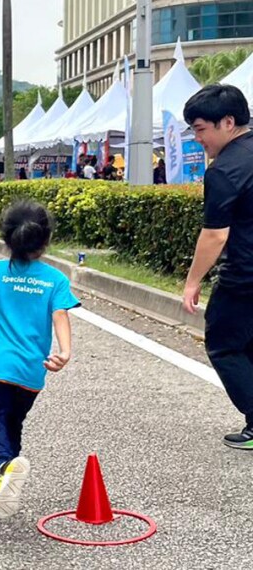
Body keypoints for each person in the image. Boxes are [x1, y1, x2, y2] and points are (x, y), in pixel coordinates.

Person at [0, 201, 80, 520]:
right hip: (32, 373)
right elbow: (60, 315)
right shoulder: (55, 279)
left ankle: (4, 466)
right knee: (12, 423)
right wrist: (64, 352)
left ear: (6, 238)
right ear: (46, 240)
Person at [182, 84, 253, 449]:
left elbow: (215, 235)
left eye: (200, 129)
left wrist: (193, 281)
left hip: (244, 277)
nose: (198, 139)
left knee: (224, 345)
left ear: (228, 122)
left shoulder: (224, 170)